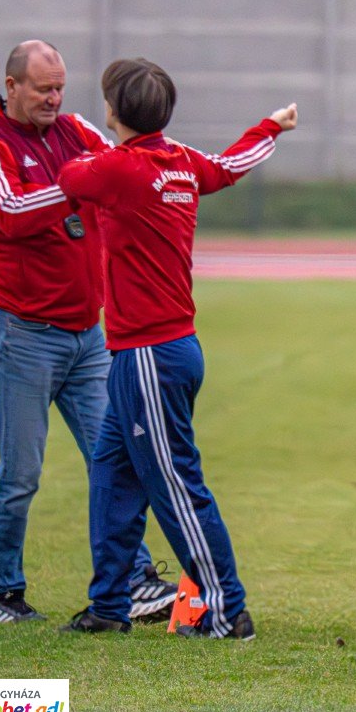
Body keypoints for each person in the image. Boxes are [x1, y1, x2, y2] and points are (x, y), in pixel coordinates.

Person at [56, 58, 295, 638]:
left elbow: (71, 178)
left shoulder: (116, 169)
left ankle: (226, 609)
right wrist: (270, 126)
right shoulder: (181, 163)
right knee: (112, 478)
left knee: (175, 485)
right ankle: (110, 607)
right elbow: (230, 166)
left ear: (114, 112)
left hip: (147, 357)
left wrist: (80, 129)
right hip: (164, 350)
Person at [0, 40, 176, 624]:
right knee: (21, 474)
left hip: (89, 336)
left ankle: (134, 580)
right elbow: (10, 211)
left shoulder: (77, 129)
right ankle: (4, 592)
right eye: (41, 88)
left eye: (59, 87)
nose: (54, 98)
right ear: (11, 87)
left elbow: (125, 162)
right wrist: (81, 184)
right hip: (25, 334)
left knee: (115, 461)